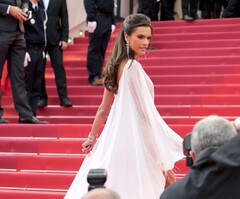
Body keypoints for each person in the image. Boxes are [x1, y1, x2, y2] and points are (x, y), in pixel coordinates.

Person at [64, 14, 184, 199]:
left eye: (148, 38)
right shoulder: (133, 67)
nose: (145, 42)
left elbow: (103, 109)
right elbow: (146, 112)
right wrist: (162, 139)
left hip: (117, 133)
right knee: (161, 180)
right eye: (140, 37)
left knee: (138, 180)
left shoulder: (115, 64)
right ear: (126, 36)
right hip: (140, 134)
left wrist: (92, 137)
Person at [0, 0, 47, 124]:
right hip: (1, 31)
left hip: (19, 33)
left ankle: (25, 114)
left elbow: (24, 1)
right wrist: (9, 9)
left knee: (19, 75)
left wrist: (25, 9)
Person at [38, 0, 72, 107]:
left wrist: (64, 37)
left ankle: (63, 97)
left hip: (55, 39)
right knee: (39, 69)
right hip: (38, 40)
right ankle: (41, 98)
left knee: (59, 67)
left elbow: (64, 17)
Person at [23, 0, 47, 117]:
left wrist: (43, 49)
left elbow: (43, 29)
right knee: (28, 83)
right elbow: (21, 29)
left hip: (40, 50)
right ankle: (25, 113)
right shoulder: (25, 6)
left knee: (37, 84)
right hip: (29, 49)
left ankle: (32, 113)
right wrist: (24, 50)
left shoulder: (41, 9)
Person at [83, 0, 116, 86]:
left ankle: (99, 73)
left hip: (107, 18)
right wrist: (91, 19)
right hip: (97, 17)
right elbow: (88, 2)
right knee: (94, 48)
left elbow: (111, 3)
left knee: (102, 49)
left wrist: (113, 21)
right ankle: (93, 76)